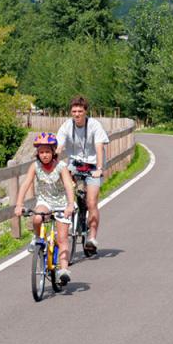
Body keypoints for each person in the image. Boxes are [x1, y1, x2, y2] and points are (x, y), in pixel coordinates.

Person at [15, 132, 75, 285]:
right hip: (45, 201)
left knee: (62, 239)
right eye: (41, 152)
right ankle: (37, 239)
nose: (44, 155)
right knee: (36, 217)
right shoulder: (35, 167)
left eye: (47, 151)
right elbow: (26, 184)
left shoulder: (61, 167)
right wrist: (19, 204)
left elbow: (68, 186)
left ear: (53, 151)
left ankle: (63, 269)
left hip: (61, 203)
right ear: (38, 153)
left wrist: (69, 205)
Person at [56, 95, 109, 254]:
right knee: (73, 196)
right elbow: (59, 145)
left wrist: (99, 168)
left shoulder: (94, 125)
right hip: (75, 164)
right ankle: (77, 212)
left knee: (92, 202)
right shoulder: (66, 126)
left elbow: (99, 147)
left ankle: (92, 237)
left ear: (85, 111)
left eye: (80, 111)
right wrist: (54, 159)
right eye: (74, 111)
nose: (77, 114)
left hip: (93, 165)